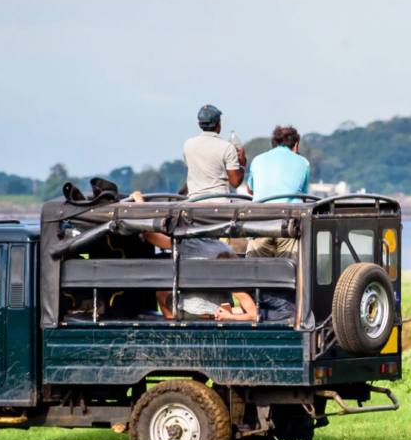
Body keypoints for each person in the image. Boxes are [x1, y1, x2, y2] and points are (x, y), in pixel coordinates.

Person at [130, 193, 296, 321]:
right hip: (223, 311)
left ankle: (172, 324)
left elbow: (151, 236)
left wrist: (139, 203)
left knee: (161, 293)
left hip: (193, 314)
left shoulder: (189, 243)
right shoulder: (225, 247)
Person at [245, 125, 310, 259]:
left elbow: (250, 190)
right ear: (296, 145)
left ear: (273, 143)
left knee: (255, 274)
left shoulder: (258, 159)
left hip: (259, 224)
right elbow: (302, 198)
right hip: (288, 226)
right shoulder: (303, 162)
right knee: (291, 274)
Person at [182, 104, 247, 199]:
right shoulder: (227, 147)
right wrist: (242, 164)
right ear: (219, 123)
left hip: (194, 202)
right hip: (219, 203)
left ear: (199, 124)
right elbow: (235, 182)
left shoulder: (188, 145)